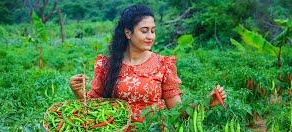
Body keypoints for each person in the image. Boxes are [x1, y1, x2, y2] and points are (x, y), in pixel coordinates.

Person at [69, 4, 226, 123]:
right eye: (144, 31)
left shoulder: (162, 64)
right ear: (128, 32)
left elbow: (177, 111)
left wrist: (206, 102)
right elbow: (94, 108)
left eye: (153, 30)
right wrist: (78, 92)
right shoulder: (108, 65)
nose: (150, 36)